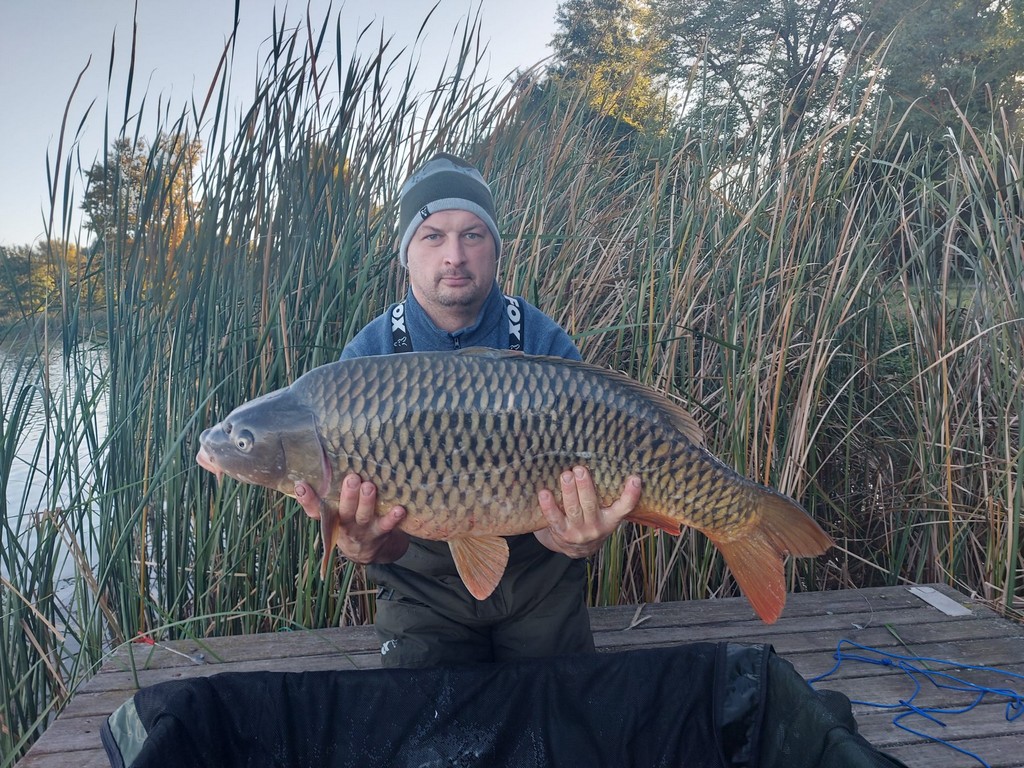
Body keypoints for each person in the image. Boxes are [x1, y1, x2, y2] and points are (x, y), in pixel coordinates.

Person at [294, 152, 642, 668]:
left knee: (556, 708)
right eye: (433, 236)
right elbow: (387, 549)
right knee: (430, 715)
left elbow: (562, 523)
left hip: (540, 579)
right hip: (422, 592)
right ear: (406, 252)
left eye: (472, 235)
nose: (454, 256)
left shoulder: (542, 341)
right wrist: (361, 545)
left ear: (495, 248)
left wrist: (577, 540)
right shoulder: (367, 360)